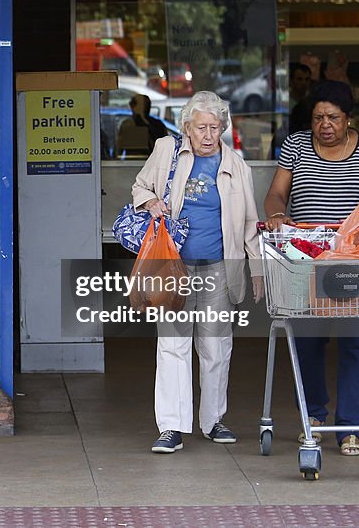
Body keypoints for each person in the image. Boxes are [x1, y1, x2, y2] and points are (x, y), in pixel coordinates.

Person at [263, 79, 359, 456]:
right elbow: (276, 192)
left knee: (357, 340)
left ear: (348, 119)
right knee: (308, 338)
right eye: (318, 117)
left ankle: (352, 428)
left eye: (333, 118)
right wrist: (277, 212)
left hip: (357, 256)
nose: (325, 124)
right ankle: (316, 417)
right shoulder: (296, 146)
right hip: (308, 258)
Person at [131, 91, 264, 453]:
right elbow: (139, 187)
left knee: (216, 346)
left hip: (219, 267)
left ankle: (213, 421)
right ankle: (171, 427)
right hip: (173, 266)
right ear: (186, 126)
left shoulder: (237, 166)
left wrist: (257, 270)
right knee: (173, 344)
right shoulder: (166, 150)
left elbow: (250, 223)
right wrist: (152, 201)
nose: (208, 135)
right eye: (201, 127)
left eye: (215, 127)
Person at [287, 63, 313, 134]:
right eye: (299, 79)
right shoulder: (283, 102)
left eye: (307, 79)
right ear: (291, 81)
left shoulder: (314, 100)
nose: (303, 83)